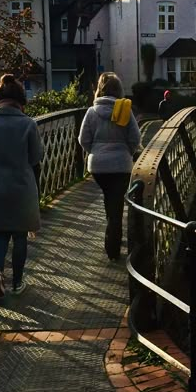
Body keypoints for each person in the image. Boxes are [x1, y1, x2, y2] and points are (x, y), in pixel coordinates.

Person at [0, 74, 44, 297]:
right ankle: (17, 283)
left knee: (0, 234)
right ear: (20, 100)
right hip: (21, 187)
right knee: (19, 235)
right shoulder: (28, 124)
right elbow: (35, 157)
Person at [79, 72, 142, 261]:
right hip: (120, 164)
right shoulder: (125, 109)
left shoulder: (91, 112)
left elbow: (83, 139)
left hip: (98, 166)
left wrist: (94, 152)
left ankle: (112, 238)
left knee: (110, 200)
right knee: (116, 205)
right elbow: (135, 138)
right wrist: (127, 153)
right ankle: (113, 247)